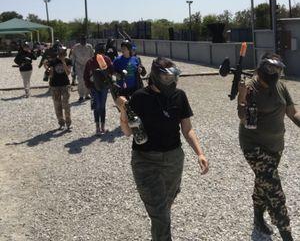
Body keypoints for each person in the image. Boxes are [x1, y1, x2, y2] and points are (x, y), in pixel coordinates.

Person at [116, 57, 209, 241]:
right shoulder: (140, 97)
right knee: (159, 213)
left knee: (165, 206)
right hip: (145, 161)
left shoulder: (179, 96)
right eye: (167, 78)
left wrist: (200, 153)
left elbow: (187, 128)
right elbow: (127, 132)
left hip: (173, 159)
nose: (172, 82)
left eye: (173, 78)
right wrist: (123, 110)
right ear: (156, 77)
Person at [237, 53, 300, 241]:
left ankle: (257, 218)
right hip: (254, 147)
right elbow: (243, 117)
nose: (275, 75)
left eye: (278, 70)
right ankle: (287, 235)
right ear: (261, 69)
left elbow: (293, 112)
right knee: (274, 191)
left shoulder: (280, 86)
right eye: (271, 70)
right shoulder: (250, 88)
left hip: (275, 146)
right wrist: (241, 97)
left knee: (264, 182)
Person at [84, 43, 114, 135]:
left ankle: (102, 127)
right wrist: (89, 85)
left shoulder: (106, 59)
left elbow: (111, 71)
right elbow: (86, 75)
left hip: (104, 86)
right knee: (97, 106)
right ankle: (98, 127)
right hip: (94, 87)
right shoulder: (90, 61)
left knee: (102, 106)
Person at [48, 45, 72, 130]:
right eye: (62, 53)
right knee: (57, 104)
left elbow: (68, 73)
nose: (63, 54)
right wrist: (48, 69)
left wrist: (64, 62)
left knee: (66, 104)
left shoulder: (68, 61)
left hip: (65, 84)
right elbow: (51, 74)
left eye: (64, 53)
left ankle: (68, 123)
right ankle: (61, 122)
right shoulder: (53, 61)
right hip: (55, 85)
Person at [71, 35, 94, 102]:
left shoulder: (89, 47)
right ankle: (81, 95)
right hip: (79, 66)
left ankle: (87, 94)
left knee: (88, 80)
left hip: (87, 65)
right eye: (82, 40)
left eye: (84, 40)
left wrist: (92, 65)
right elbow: (73, 56)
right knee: (81, 80)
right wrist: (73, 66)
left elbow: (92, 56)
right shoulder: (76, 47)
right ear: (80, 40)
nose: (83, 41)